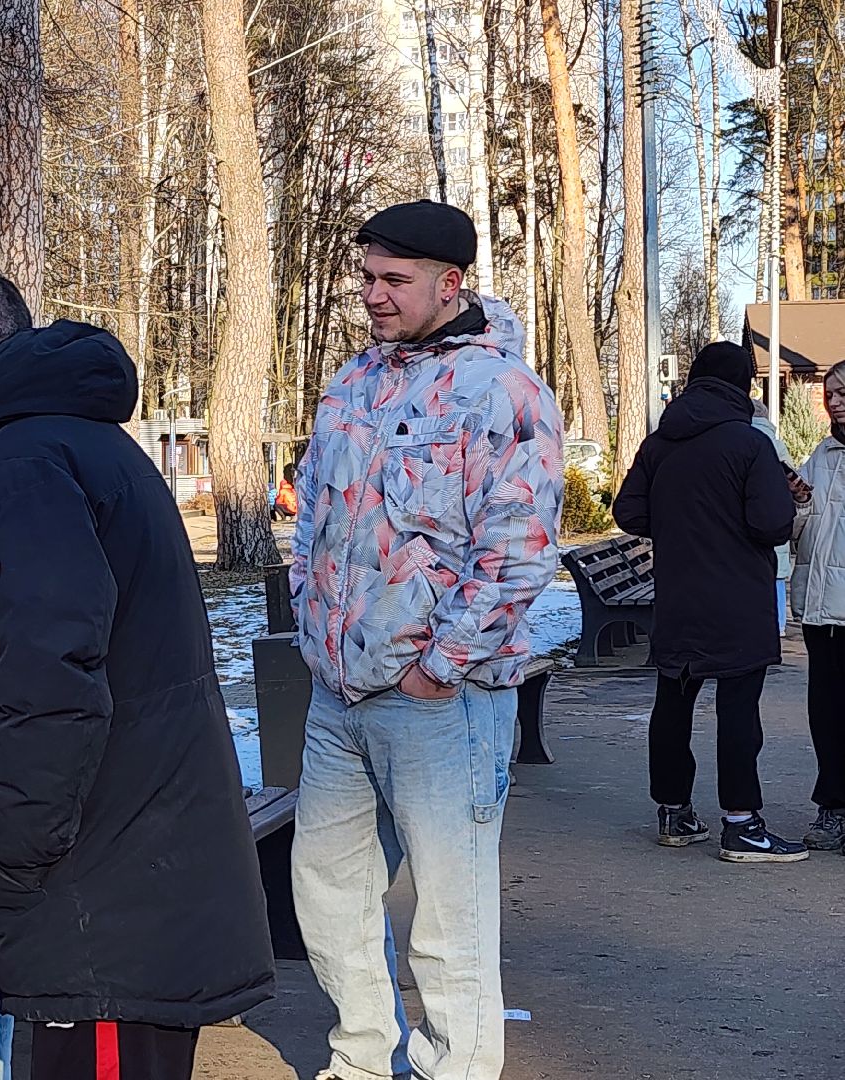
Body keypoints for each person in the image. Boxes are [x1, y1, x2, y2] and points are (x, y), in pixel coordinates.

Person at [0, 263, 273, 1080]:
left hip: (99, 897)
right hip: (122, 870)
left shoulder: (22, 465)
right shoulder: (68, 441)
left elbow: (47, 682)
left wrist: (14, 852)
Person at [289, 201, 563, 1080]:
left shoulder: (504, 393)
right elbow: (314, 520)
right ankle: (364, 1056)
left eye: (392, 280)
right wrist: (309, 618)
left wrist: (439, 669)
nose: (372, 295)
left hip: (443, 703)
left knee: (450, 916)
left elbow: (518, 549)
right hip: (339, 695)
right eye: (366, 277)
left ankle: (456, 1069)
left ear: (451, 284)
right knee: (326, 889)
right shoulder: (353, 381)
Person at [615, 341, 806, 863]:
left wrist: (679, 524)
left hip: (678, 596)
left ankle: (674, 811)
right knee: (738, 711)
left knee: (673, 705)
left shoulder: (660, 444)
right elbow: (770, 524)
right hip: (738, 597)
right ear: (742, 384)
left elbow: (628, 511)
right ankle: (741, 823)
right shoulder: (748, 445)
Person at [788, 361, 845, 852]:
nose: (835, 401)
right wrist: (797, 502)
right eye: (830, 394)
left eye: (844, 392)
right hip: (822, 610)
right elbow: (797, 526)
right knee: (826, 713)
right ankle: (832, 807)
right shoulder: (821, 456)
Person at [751, 400, 797, 634]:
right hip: (775, 515)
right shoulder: (777, 445)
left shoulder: (742, 441)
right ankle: (779, 623)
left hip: (749, 519)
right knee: (778, 578)